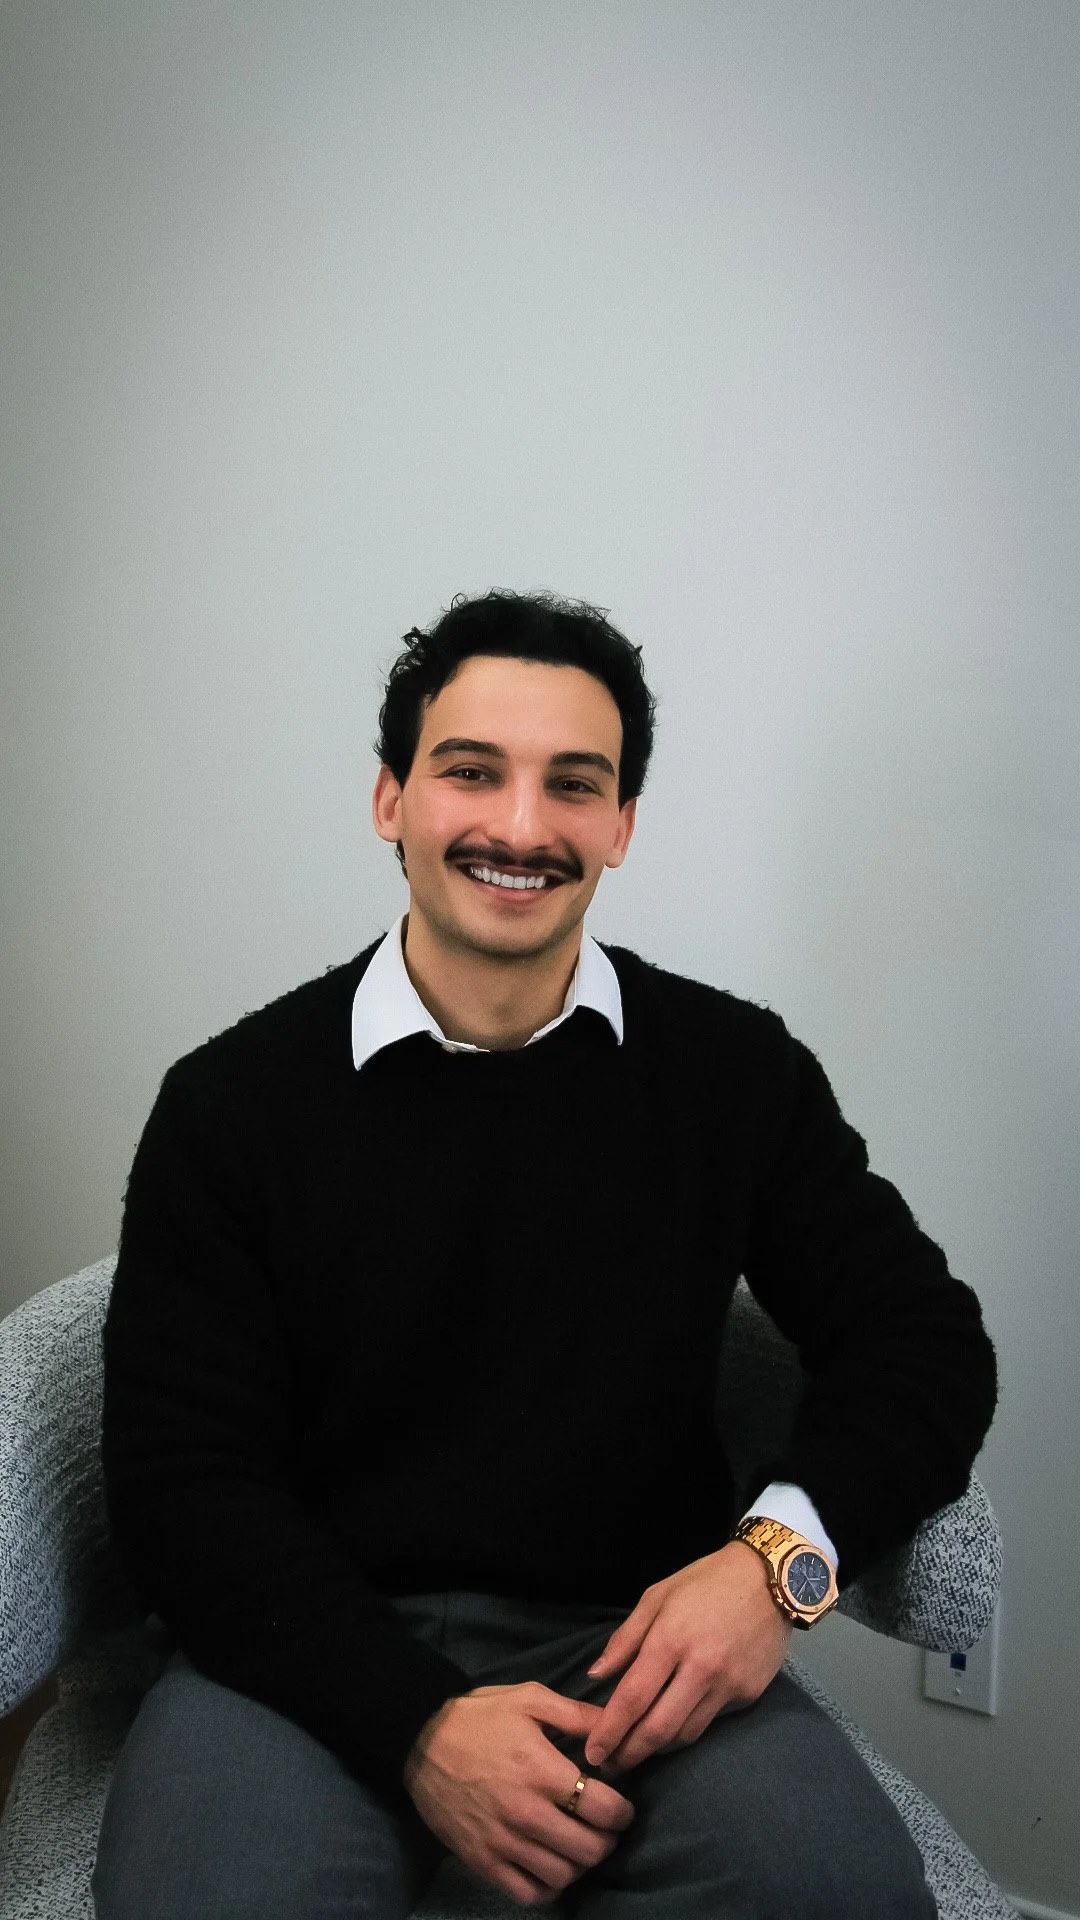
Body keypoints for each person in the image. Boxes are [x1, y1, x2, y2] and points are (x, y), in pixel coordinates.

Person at [92, 588, 998, 1920]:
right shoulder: (229, 1106)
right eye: (472, 773)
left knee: (846, 1893)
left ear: (621, 824)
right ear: (391, 798)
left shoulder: (735, 1074)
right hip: (300, 1653)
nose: (520, 827)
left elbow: (923, 1345)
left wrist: (772, 1572)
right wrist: (417, 1726)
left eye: (574, 786)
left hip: (628, 1650)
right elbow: (179, 1486)